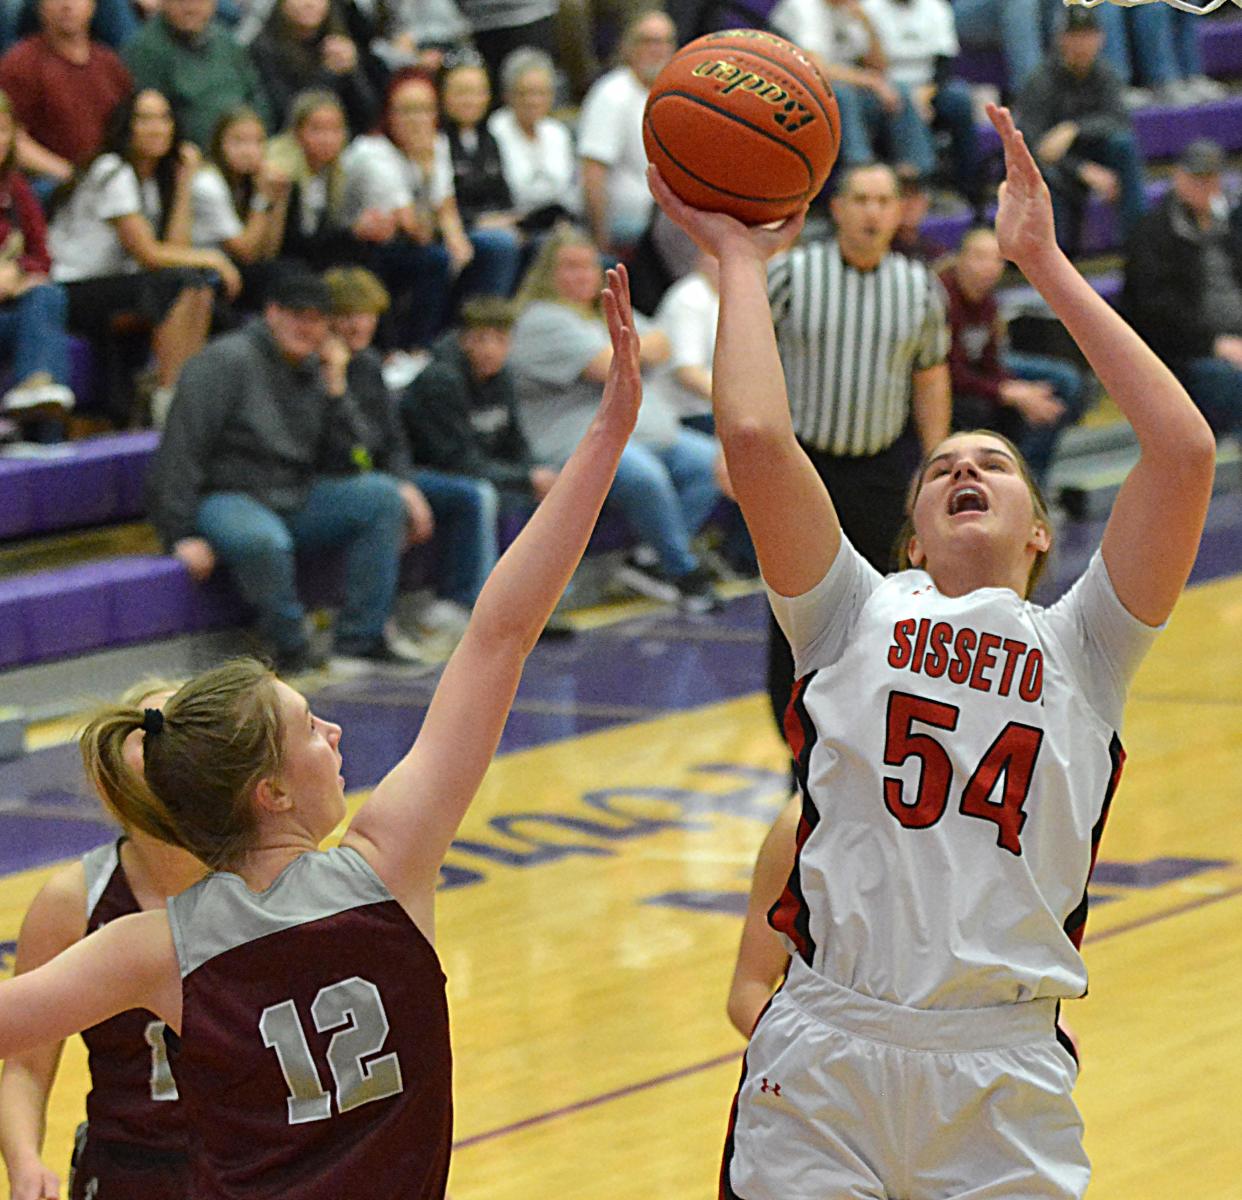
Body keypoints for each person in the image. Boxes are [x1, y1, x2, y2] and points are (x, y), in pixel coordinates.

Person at [649, 100, 1215, 1198]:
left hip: (1000, 1068)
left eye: (996, 464)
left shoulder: (1085, 647)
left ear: (1041, 531)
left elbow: (1183, 450)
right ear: (908, 533)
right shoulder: (850, 612)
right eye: (945, 463)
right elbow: (760, 440)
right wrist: (738, 259)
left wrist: (1042, 265)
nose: (968, 467)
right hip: (825, 1051)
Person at [0, 264, 642, 1200]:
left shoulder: (157, 946)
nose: (335, 730)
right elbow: (500, 631)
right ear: (270, 788)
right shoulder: (386, 864)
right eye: (308, 725)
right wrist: (605, 434)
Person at [145, 263, 416, 673]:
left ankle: (360, 639)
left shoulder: (317, 368)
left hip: (295, 493)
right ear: (272, 313)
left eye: (316, 320)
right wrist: (178, 533)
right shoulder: (224, 361)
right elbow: (181, 450)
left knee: (380, 497)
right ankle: (292, 649)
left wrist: (337, 387)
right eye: (297, 316)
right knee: (263, 539)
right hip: (226, 495)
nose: (306, 328)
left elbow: (354, 457)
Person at [763, 160, 950, 736]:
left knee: (888, 610)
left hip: (883, 469)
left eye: (884, 201)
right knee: (796, 612)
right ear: (837, 208)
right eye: (861, 200)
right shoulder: (792, 274)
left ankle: (875, 731)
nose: (872, 212)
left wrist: (937, 464)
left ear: (899, 212)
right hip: (805, 470)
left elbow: (930, 376)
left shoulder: (919, 287)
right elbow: (748, 359)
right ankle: (795, 739)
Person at [0, 684, 201, 1200]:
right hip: (130, 1168)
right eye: (151, 735)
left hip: (255, 1156)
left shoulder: (264, 875)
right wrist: (24, 1164)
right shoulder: (74, 900)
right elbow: (25, 1063)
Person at [509, 223, 726, 612]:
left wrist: (627, 350)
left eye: (588, 266)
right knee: (645, 476)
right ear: (546, 273)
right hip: (575, 440)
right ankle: (683, 572)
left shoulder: (602, 311)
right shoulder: (542, 320)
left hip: (647, 433)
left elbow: (664, 343)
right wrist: (628, 349)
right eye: (569, 267)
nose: (581, 276)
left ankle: (649, 561)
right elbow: (606, 366)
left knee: (714, 462)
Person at [324, 265, 501, 646]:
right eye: (347, 315)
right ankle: (369, 630)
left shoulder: (369, 364)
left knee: (472, 495)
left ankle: (459, 608)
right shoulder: (317, 370)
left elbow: (394, 440)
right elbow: (344, 450)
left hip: (385, 475)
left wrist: (404, 482)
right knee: (383, 502)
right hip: (339, 478)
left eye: (366, 314)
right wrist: (336, 388)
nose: (359, 325)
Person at [46, 88, 241, 427]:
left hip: (116, 285)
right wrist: (214, 258)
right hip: (72, 288)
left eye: (164, 118)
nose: (156, 127)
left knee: (196, 285)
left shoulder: (152, 180)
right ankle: (168, 404)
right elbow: (149, 254)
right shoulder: (112, 169)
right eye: (144, 119)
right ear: (127, 126)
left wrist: (184, 183)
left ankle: (179, 393)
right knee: (182, 283)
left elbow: (175, 250)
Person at [941, 225, 1088, 488]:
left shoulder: (987, 302)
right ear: (960, 258)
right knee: (988, 409)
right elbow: (950, 372)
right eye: (980, 257)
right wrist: (1007, 392)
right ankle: (1018, 480)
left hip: (979, 376)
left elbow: (991, 361)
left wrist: (1023, 393)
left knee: (1065, 383)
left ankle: (1030, 476)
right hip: (949, 384)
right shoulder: (942, 298)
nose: (989, 267)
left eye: (996, 259)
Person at [1121, 138, 1242, 445]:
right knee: (1231, 381)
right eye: (1198, 179)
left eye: (1212, 178)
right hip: (1187, 353)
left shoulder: (1233, 225)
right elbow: (1155, 312)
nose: (1207, 187)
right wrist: (1214, 344)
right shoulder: (1153, 233)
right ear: (1179, 178)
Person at [402, 293, 559, 513]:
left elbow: (515, 442)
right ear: (464, 340)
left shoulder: (502, 375)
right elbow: (457, 461)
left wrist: (536, 471)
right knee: (485, 494)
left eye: (500, 339)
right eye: (481, 339)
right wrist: (526, 478)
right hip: (431, 473)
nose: (490, 349)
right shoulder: (441, 381)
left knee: (556, 479)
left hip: (479, 470)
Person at [1014, 6, 1147, 259]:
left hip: (1093, 155)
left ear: (1100, 38)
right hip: (1056, 167)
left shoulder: (1106, 74)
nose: (1082, 43)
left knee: (1124, 144)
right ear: (1062, 38)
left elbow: (1118, 121)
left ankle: (1137, 244)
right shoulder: (1041, 80)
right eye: (1075, 35)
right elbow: (1034, 147)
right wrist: (1081, 169)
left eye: (1088, 35)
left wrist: (1073, 128)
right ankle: (1053, 257)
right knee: (1043, 170)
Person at [0, 91, 76, 439]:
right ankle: (43, 432)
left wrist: (18, 273)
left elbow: (42, 256)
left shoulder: (15, 187)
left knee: (47, 297)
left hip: (13, 308)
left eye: (2, 130)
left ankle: (36, 402)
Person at [0, 0, 132, 194]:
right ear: (40, 6)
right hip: (52, 183)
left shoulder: (110, 64)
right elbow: (11, 138)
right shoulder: (20, 64)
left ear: (93, 5)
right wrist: (72, 175)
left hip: (110, 181)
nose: (67, 5)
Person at [577, 8, 676, 256]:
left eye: (665, 41)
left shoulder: (676, 95)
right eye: (649, 41)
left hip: (668, 219)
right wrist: (600, 240)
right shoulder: (611, 94)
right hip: (626, 225)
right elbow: (593, 172)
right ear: (627, 47)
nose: (658, 49)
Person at [122, 0, 273, 150]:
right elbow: (149, 120)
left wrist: (257, 140)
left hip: (247, 151)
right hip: (188, 159)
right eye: (183, 2)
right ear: (163, 3)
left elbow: (257, 97)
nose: (191, 8)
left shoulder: (226, 42)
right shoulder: (145, 51)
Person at [250, 0, 381, 135]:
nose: (309, 3)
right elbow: (286, 113)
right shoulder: (264, 49)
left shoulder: (338, 39)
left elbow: (369, 115)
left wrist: (352, 71)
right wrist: (329, 73)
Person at [266, 89, 360, 273]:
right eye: (317, 129)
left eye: (335, 129)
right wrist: (352, 233)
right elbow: (290, 245)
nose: (327, 139)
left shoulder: (335, 173)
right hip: (285, 264)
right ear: (296, 133)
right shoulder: (283, 174)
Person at [486, 47, 579, 232]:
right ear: (508, 95)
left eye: (541, 93)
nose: (533, 101)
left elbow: (569, 190)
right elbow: (512, 192)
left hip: (558, 222)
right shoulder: (495, 130)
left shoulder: (557, 132)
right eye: (525, 93)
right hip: (513, 226)